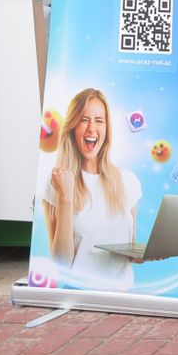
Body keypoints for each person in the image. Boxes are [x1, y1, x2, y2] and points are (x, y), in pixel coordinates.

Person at [40, 87, 142, 291]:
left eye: (99, 120)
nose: (91, 129)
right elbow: (61, 264)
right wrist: (65, 198)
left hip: (123, 295)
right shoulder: (56, 183)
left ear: (107, 129)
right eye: (84, 120)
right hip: (81, 296)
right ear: (72, 127)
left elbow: (129, 249)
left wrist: (143, 254)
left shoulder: (128, 181)